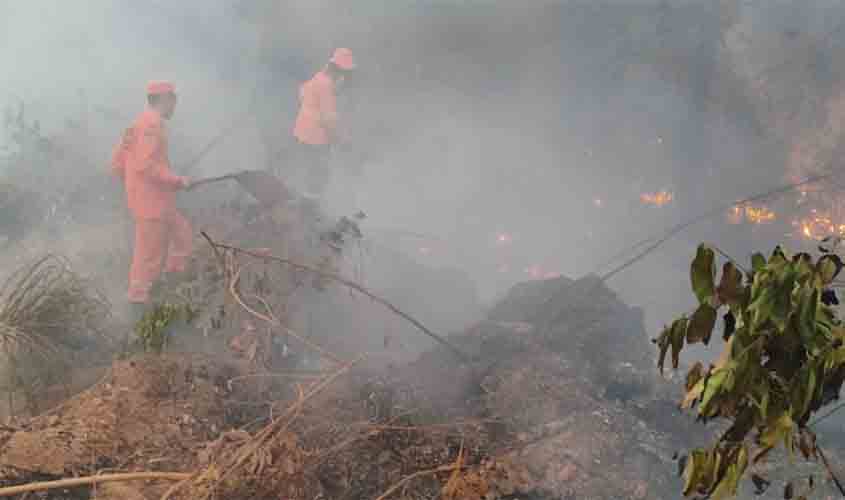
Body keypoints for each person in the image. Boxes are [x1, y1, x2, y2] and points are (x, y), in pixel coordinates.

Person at [111, 81, 192, 318]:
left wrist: (147, 187)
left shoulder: (139, 124)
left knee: (183, 236)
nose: (175, 104)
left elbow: (117, 165)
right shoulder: (150, 125)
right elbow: (145, 165)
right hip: (151, 203)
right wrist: (176, 180)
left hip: (155, 199)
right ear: (164, 99)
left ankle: (171, 282)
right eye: (174, 99)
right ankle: (138, 307)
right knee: (149, 257)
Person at [291, 47, 356, 201]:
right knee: (318, 174)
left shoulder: (318, 77)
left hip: (302, 132)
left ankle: (304, 198)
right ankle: (310, 205)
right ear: (340, 71)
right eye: (346, 74)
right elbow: (329, 120)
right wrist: (342, 140)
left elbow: (302, 93)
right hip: (315, 138)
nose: (345, 78)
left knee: (310, 170)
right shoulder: (326, 86)